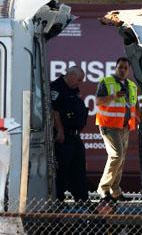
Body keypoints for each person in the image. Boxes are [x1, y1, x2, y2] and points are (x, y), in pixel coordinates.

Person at [95, 57, 139, 202]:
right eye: (120, 67)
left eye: (125, 68)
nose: (122, 70)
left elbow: (134, 106)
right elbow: (98, 101)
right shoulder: (106, 82)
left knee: (121, 159)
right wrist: (113, 96)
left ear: (129, 70)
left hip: (124, 126)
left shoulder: (131, 85)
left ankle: (115, 191)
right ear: (115, 68)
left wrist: (137, 120)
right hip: (109, 125)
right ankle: (103, 188)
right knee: (116, 155)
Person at [51, 66, 89, 201]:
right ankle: (59, 201)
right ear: (71, 75)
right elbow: (54, 111)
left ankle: (82, 199)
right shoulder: (57, 87)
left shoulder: (73, 89)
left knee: (79, 167)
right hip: (63, 136)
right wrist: (60, 131)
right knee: (62, 169)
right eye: (78, 80)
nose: (79, 83)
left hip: (74, 135)